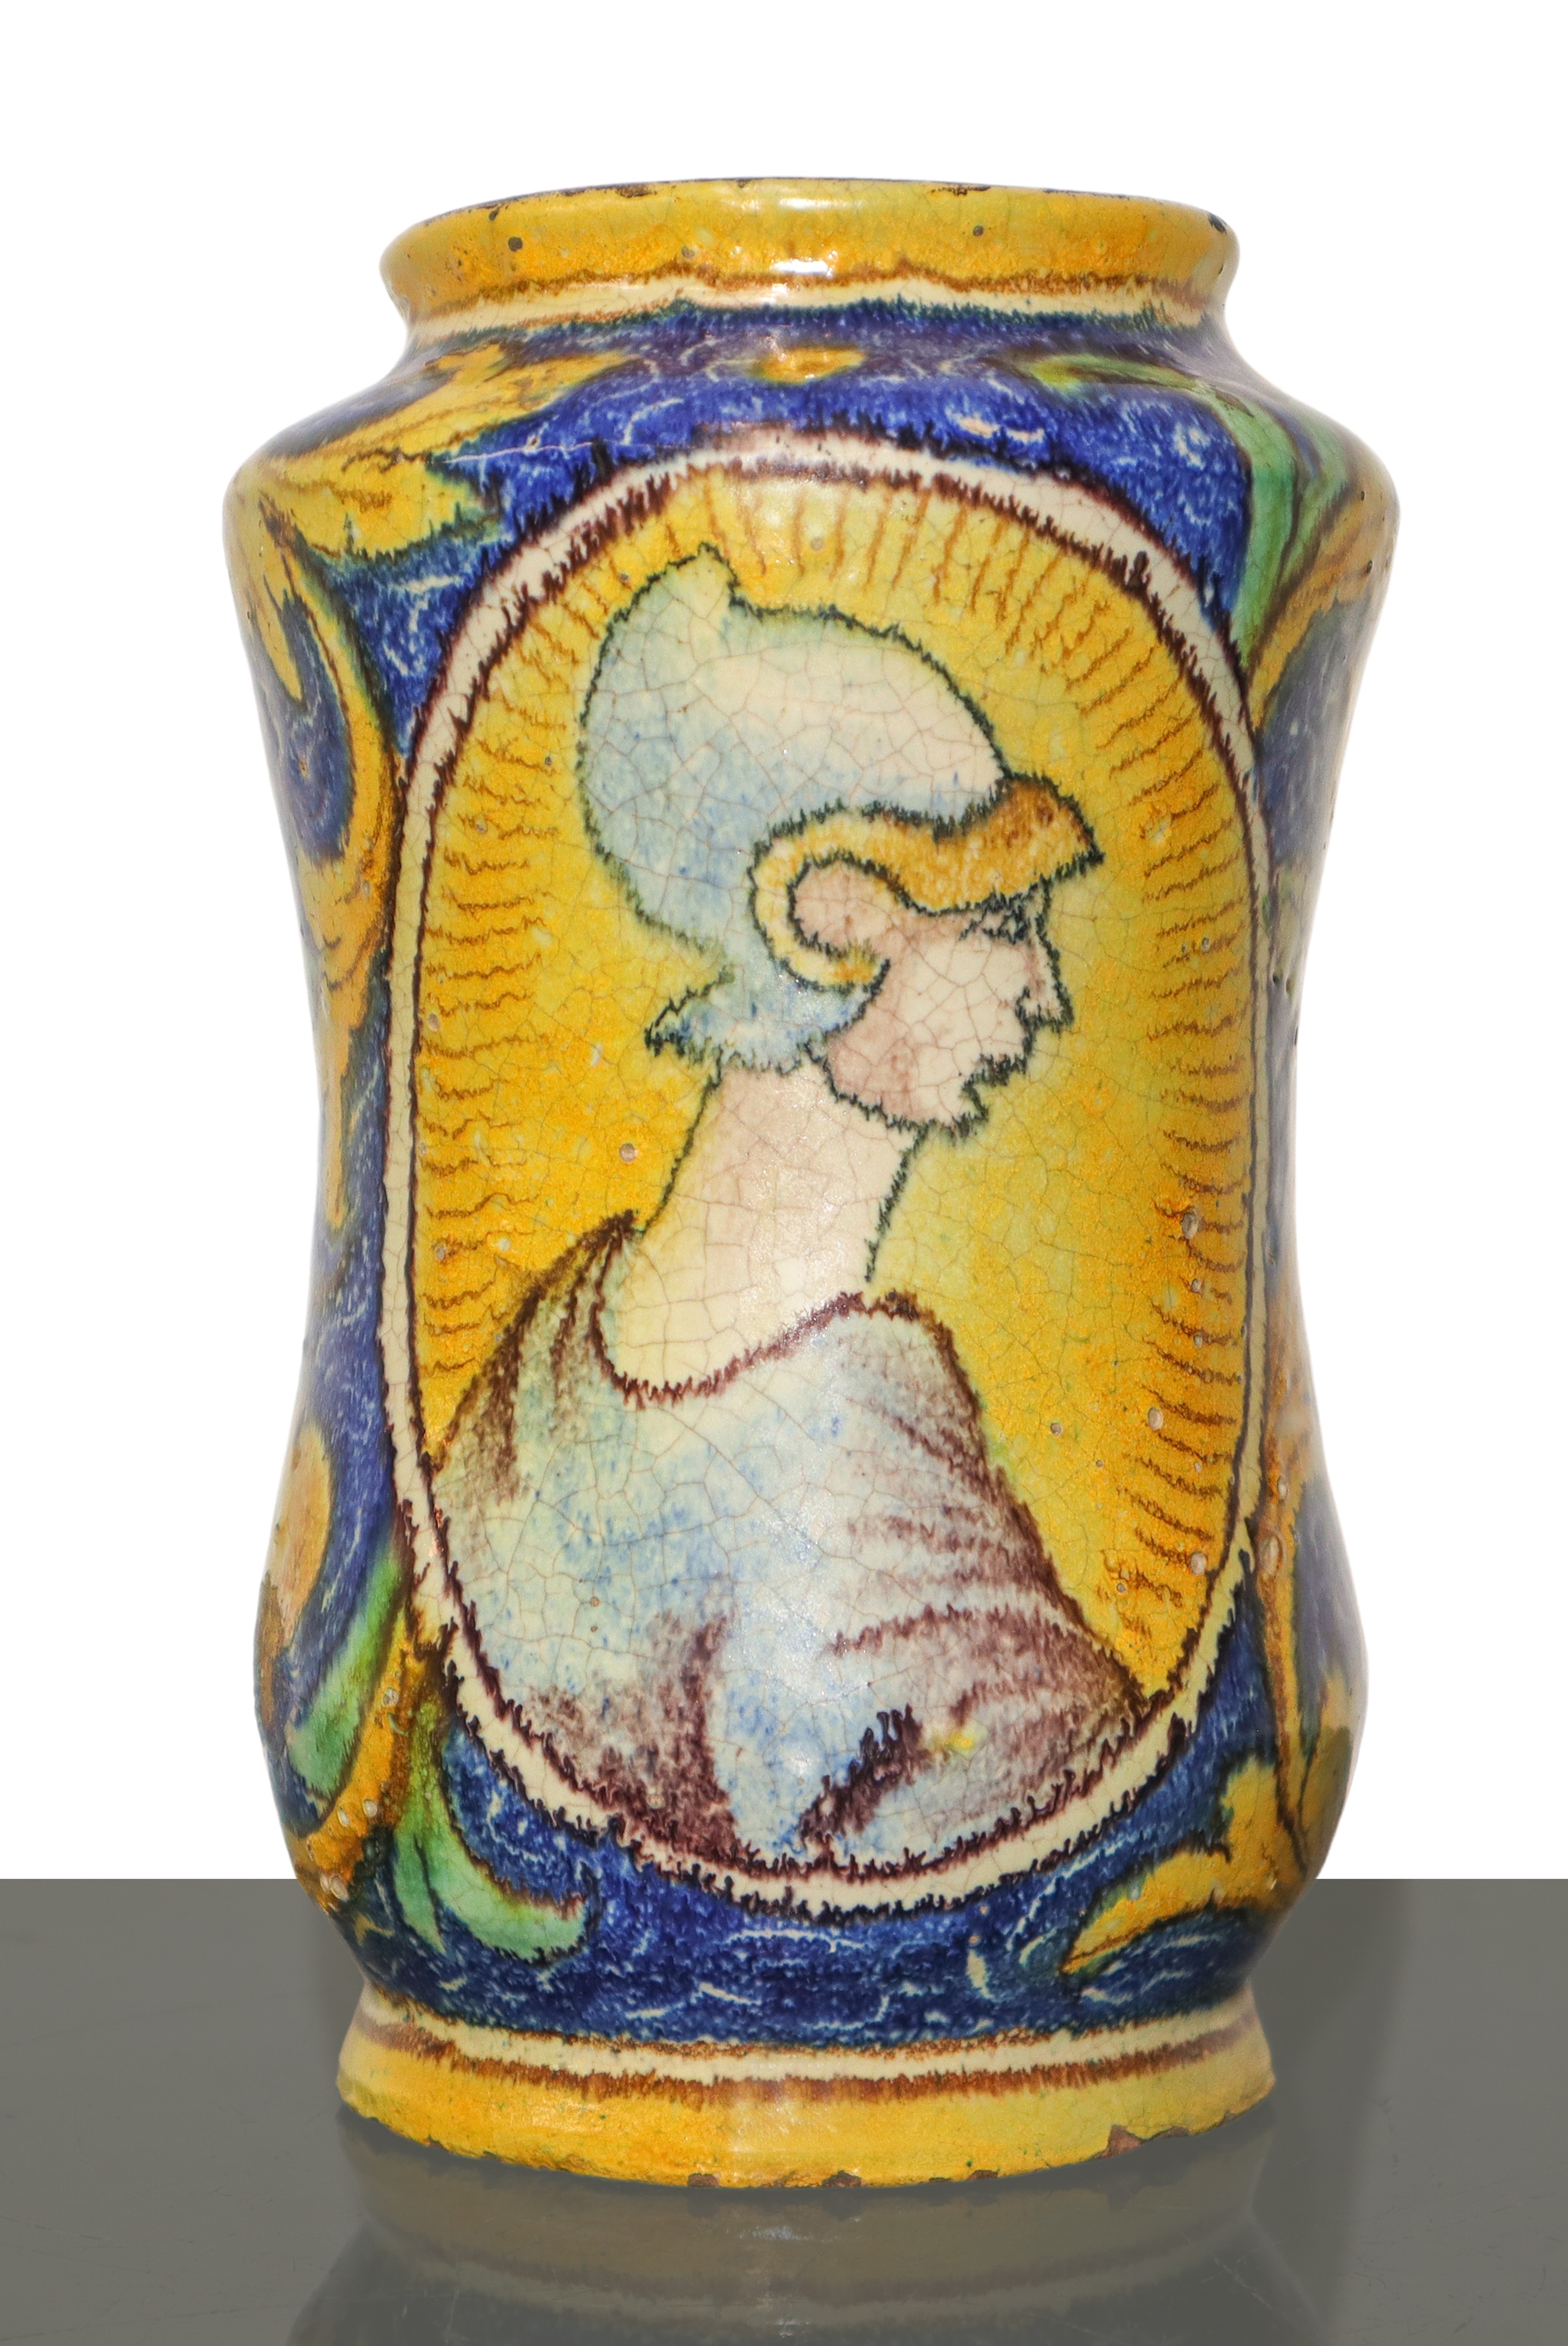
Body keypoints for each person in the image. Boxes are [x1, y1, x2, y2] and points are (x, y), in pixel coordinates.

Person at [437, 553, 1136, 1875]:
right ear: (834, 918)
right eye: (1000, 920)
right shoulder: (874, 1476)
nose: (1044, 993)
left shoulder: (544, 1368)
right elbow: (1086, 1844)